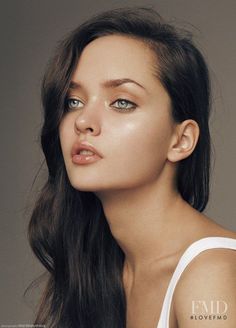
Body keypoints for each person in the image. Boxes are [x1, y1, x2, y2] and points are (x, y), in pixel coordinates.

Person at [28, 6, 236, 328]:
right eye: (73, 101)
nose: (83, 121)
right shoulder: (108, 272)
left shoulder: (210, 275)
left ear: (180, 140)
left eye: (122, 102)